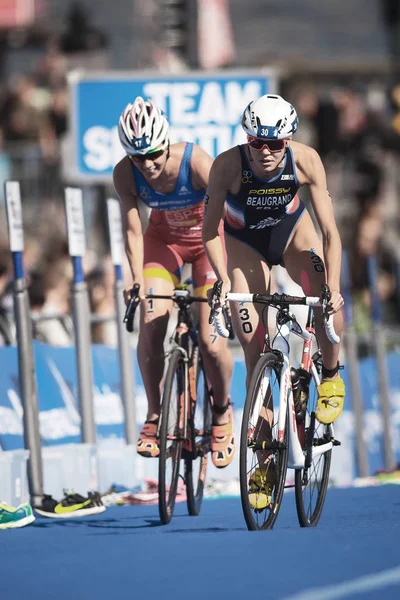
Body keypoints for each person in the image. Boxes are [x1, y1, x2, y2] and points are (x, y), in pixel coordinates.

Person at [202, 93, 345, 507]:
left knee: (325, 298)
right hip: (243, 243)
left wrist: (332, 287)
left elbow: (331, 234)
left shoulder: (306, 160)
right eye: (256, 143)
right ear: (246, 138)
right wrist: (223, 279)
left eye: (275, 144)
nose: (265, 152)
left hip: (292, 236)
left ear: (288, 141)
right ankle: (264, 462)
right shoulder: (227, 166)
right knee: (254, 354)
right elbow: (209, 231)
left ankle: (332, 375)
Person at [113, 97, 234, 468]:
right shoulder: (125, 173)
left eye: (153, 154)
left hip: (207, 247)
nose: (147, 165)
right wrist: (135, 277)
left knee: (212, 345)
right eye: (138, 158)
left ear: (166, 142)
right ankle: (154, 415)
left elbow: (227, 218)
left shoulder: (197, 163)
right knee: (152, 321)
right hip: (162, 244)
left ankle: (221, 410)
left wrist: (226, 277)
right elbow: (134, 230)